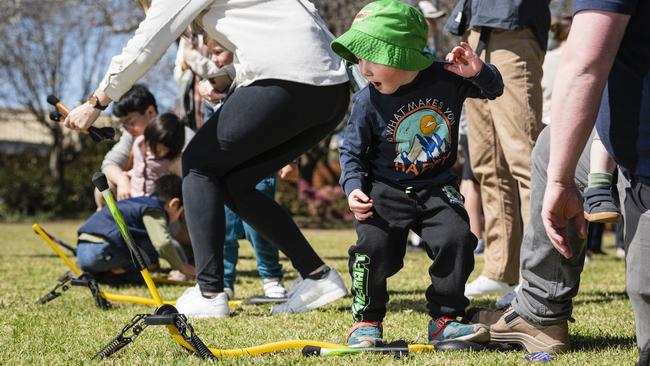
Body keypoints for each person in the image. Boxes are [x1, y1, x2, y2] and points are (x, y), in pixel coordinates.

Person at [64, 0, 350, 318]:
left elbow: (149, 40)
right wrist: (229, 74)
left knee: (198, 164)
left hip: (290, 80)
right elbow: (289, 37)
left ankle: (209, 292)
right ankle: (317, 276)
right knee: (235, 183)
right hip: (331, 92)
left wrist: (96, 101)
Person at [483, 2, 649, 363]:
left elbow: (586, 64)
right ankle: (539, 313)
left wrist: (559, 183)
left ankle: (542, 314)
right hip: (631, 162)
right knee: (551, 146)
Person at [331, 0, 503, 347]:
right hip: (384, 188)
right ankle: (367, 322)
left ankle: (445, 318)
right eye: (359, 59)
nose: (363, 69)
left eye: (371, 58)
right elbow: (351, 151)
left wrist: (478, 71)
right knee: (373, 249)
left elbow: (494, 89)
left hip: (436, 186)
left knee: (456, 238)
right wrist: (353, 188)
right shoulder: (367, 101)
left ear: (402, 55)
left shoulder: (447, 78)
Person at [445, 0, 550, 301]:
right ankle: (499, 270)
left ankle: (538, 276)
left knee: (526, 161)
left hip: (514, 32)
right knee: (486, 164)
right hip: (476, 33)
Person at [77, 175, 195, 284]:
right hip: (100, 252)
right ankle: (113, 273)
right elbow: (162, 243)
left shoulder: (138, 202)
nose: (178, 218)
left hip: (82, 249)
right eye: (181, 213)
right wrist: (182, 267)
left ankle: (99, 273)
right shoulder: (155, 210)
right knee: (151, 246)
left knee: (140, 255)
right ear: (174, 204)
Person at [96, 84, 195, 209]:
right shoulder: (133, 136)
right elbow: (109, 163)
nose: (127, 129)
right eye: (124, 125)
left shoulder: (180, 135)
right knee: (105, 188)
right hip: (137, 194)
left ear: (150, 112)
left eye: (130, 122)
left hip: (172, 202)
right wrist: (122, 180)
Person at [127, 112, 184, 197]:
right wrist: (128, 174)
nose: (153, 152)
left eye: (162, 150)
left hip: (153, 200)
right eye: (150, 146)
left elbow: (179, 180)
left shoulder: (173, 161)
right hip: (132, 193)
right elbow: (138, 167)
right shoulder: (139, 144)